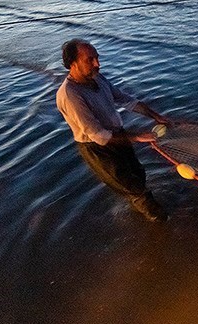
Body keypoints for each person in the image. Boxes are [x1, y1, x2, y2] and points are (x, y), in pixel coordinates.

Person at [56, 38, 171, 222]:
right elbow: (98, 135)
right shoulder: (70, 94)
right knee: (134, 188)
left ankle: (140, 210)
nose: (97, 64)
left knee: (138, 173)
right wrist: (137, 137)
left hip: (118, 136)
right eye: (90, 60)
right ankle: (162, 221)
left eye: (97, 58)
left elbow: (126, 100)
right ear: (72, 63)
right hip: (98, 149)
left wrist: (155, 115)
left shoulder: (97, 77)